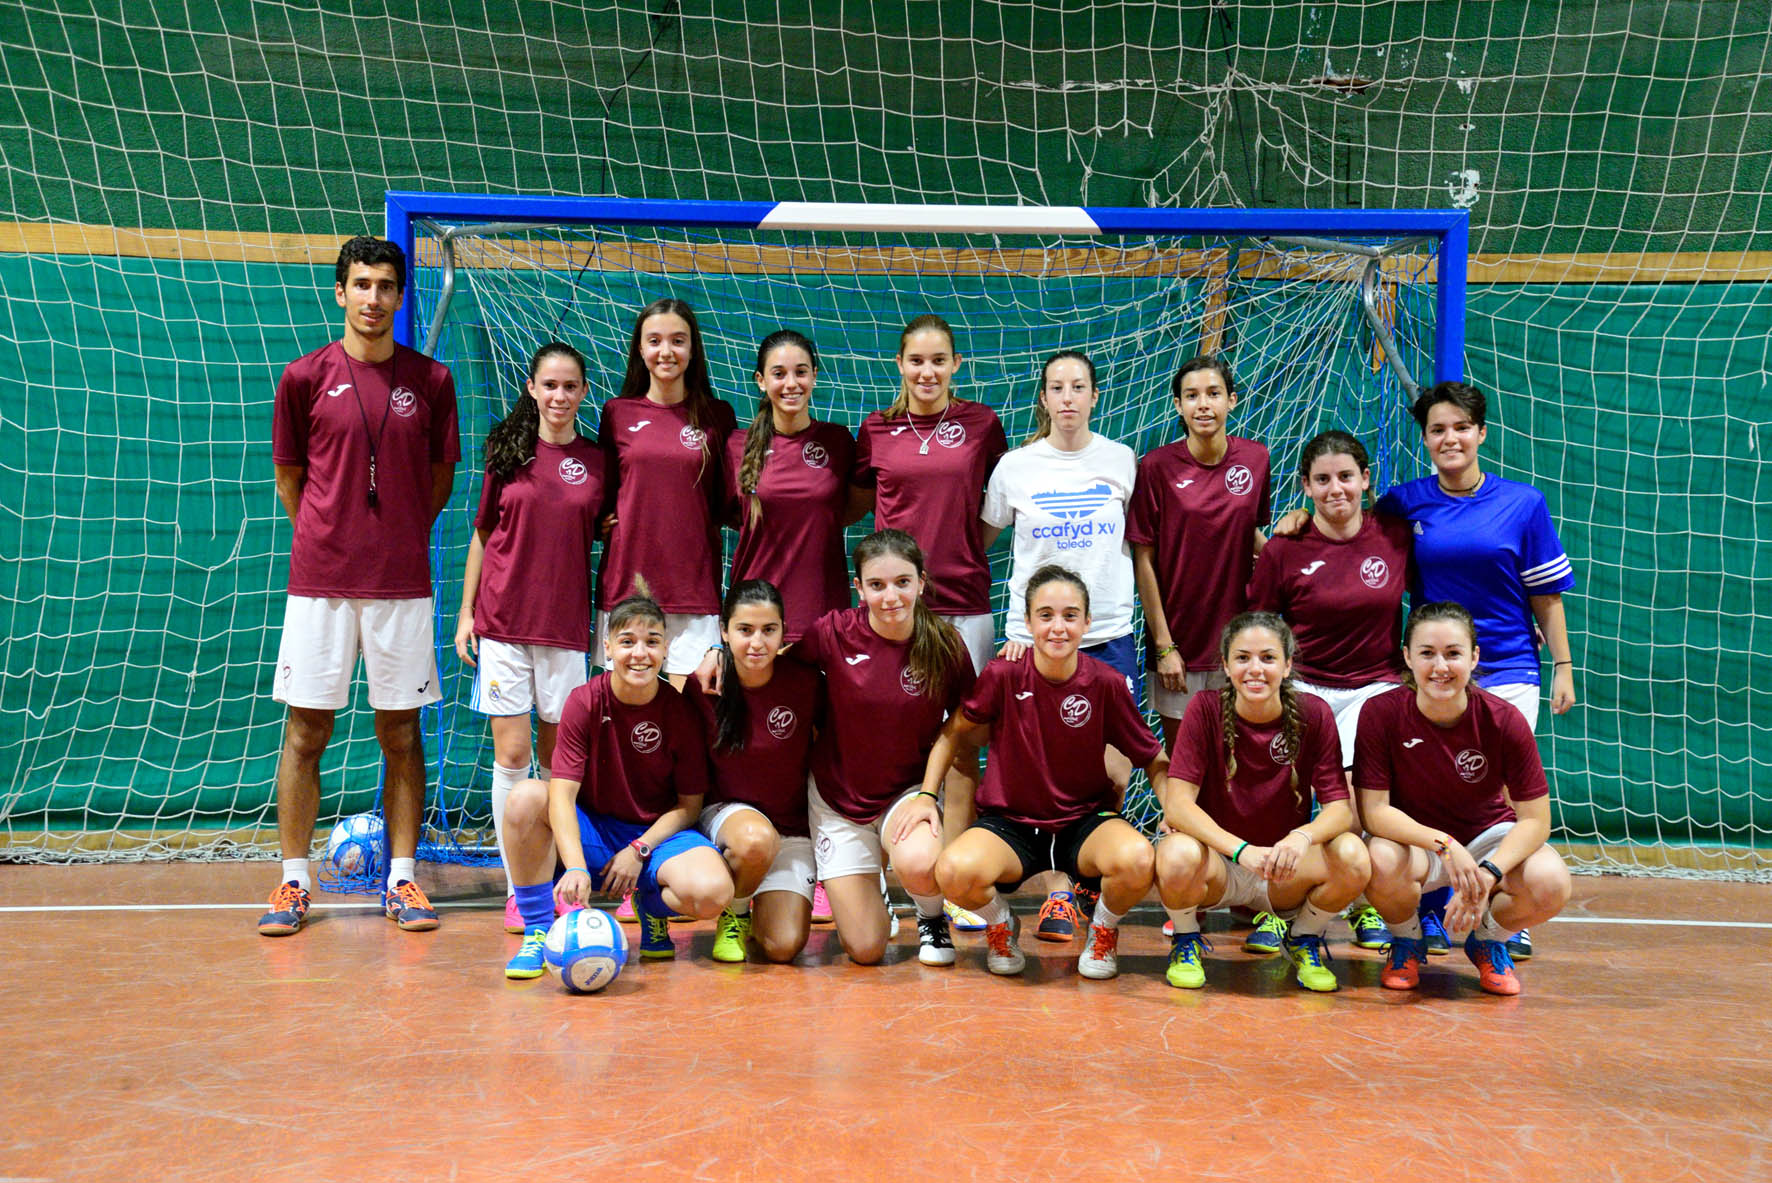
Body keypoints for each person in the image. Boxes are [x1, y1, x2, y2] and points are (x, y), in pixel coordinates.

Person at [259, 235, 459, 937]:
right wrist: (331, 535)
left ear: (401, 297)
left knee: (400, 733)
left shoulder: (432, 381)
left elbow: (438, 480)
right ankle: (292, 881)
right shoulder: (303, 377)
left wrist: (394, 533)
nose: (373, 298)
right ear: (340, 293)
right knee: (307, 730)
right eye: (361, 284)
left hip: (401, 584)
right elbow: (291, 479)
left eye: (386, 285)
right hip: (320, 584)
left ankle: (402, 880)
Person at [1378, 380, 1575, 961]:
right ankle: (1429, 912)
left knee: (1501, 797)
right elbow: (1353, 539)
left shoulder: (1523, 503)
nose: (1450, 439)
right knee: (1428, 791)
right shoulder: (1404, 501)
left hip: (1509, 667)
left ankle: (1504, 914)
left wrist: (1561, 664)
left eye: (1461, 427)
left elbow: (1547, 597)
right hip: (1435, 669)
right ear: (1426, 439)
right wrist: (1294, 519)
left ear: (1481, 433)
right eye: (1438, 430)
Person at [927, 566, 1166, 979]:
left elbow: (1152, 756)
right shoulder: (1003, 674)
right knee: (952, 870)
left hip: (1082, 822)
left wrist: (1174, 812)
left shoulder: (1106, 683)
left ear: (1088, 622)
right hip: (1011, 824)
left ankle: (1103, 931)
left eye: (1071, 615)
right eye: (1046, 615)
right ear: (1027, 622)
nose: (1058, 627)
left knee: (1138, 858)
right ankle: (1000, 924)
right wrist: (926, 796)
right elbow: (952, 733)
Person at [979, 349, 1140, 942]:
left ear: (1094, 396)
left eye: (1078, 386)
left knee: (1112, 773)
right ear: (1043, 399)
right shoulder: (1015, 467)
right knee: (1042, 776)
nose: (1067, 397)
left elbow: (1144, 545)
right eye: (1056, 387)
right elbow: (982, 538)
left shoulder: (1122, 461)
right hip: (1032, 645)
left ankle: (1090, 884)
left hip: (1109, 638)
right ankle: (1056, 897)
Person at [501, 589, 735, 978]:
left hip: (656, 836)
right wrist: (575, 865)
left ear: (666, 649)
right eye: (627, 642)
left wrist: (639, 849)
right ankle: (538, 930)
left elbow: (688, 807)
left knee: (714, 893)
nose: (640, 653)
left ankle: (650, 906)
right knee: (526, 796)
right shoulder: (584, 701)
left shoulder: (680, 711)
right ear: (607, 647)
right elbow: (561, 794)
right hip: (596, 831)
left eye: (652, 642)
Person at [454, 342, 607, 934]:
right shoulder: (507, 452)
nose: (560, 396)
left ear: (583, 392)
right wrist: (467, 613)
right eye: (550, 385)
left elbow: (610, 529)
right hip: (503, 624)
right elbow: (482, 533)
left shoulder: (596, 464)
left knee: (557, 763)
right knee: (513, 757)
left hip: (565, 628)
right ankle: (522, 887)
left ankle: (560, 876)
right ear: (531, 388)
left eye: (570, 386)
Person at [1246, 429, 1411, 950]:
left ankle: (1358, 903)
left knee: (1360, 809)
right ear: (1306, 487)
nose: (1335, 488)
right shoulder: (1284, 548)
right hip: (1303, 688)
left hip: (1373, 689)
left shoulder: (1395, 535)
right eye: (1322, 480)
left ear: (1365, 480)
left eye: (1345, 476)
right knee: (1289, 804)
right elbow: (1261, 629)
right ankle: (1278, 907)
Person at [1355, 602, 1572, 995]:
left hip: (1487, 836)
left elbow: (1537, 821)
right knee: (1379, 858)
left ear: (1474, 656)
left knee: (1551, 880)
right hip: (1419, 842)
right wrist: (1445, 845)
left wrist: (1489, 871)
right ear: (1407, 657)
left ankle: (1489, 941)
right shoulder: (1379, 713)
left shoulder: (1504, 720)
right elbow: (1375, 813)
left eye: (1453, 653)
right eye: (1427, 653)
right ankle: (1407, 941)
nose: (1440, 667)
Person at [789, 529, 978, 966]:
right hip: (838, 799)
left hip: (905, 793)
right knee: (867, 949)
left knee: (917, 861)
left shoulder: (945, 644)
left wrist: (930, 792)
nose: (890, 596)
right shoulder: (832, 633)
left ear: (921, 582)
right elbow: (778, 671)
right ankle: (872, 893)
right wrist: (715, 654)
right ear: (859, 588)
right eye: (876, 585)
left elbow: (961, 725)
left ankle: (931, 918)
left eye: (902, 582)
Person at [1154, 612, 1370, 992]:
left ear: (1287, 665)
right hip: (1220, 865)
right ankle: (1185, 941)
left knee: (1353, 853)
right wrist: (1241, 851)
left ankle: (1303, 938)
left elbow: (1338, 808)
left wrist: (1301, 838)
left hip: (1282, 871)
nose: (1255, 669)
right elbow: (1178, 806)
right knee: (1175, 852)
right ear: (1225, 664)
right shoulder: (1204, 709)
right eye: (1242, 658)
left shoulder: (1313, 714)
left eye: (1268, 658)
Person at [1127, 356, 1271, 753]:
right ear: (1178, 405)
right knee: (1184, 766)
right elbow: (1144, 559)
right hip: (1181, 645)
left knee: (1241, 760)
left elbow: (1250, 535)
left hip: (1239, 642)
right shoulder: (1156, 467)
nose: (1203, 404)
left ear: (1232, 400)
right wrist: (1164, 645)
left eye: (1213, 394)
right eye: (1191, 396)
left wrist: (1290, 553)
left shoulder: (1256, 459)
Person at [851, 314, 1008, 675]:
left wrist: (968, 545)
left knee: (970, 718)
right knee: (899, 716)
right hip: (895, 601)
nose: (927, 372)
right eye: (916, 361)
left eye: (938, 361)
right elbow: (854, 503)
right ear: (900, 363)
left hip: (964, 597)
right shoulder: (876, 427)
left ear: (955, 363)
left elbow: (1004, 500)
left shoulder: (982, 423)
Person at [597, 297, 738, 685]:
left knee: (688, 722)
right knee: (630, 723)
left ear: (693, 349)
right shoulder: (617, 413)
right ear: (640, 349)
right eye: (654, 340)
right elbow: (601, 491)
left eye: (678, 340)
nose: (666, 351)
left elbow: (726, 501)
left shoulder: (718, 415)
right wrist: (600, 524)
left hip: (693, 591)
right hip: (628, 585)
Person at [683, 580, 823, 963]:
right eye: (744, 630)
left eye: (769, 630)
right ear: (724, 632)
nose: (757, 643)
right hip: (731, 822)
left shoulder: (806, 682)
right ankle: (735, 911)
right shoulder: (703, 688)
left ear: (783, 632)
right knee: (755, 840)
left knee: (782, 946)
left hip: (791, 829)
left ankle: (754, 899)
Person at [725, 329, 858, 643]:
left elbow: (851, 507)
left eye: (800, 372)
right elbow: (727, 514)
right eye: (778, 373)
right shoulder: (735, 445)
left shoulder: (838, 441)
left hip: (823, 613)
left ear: (814, 375)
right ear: (761, 380)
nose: (791, 383)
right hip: (754, 619)